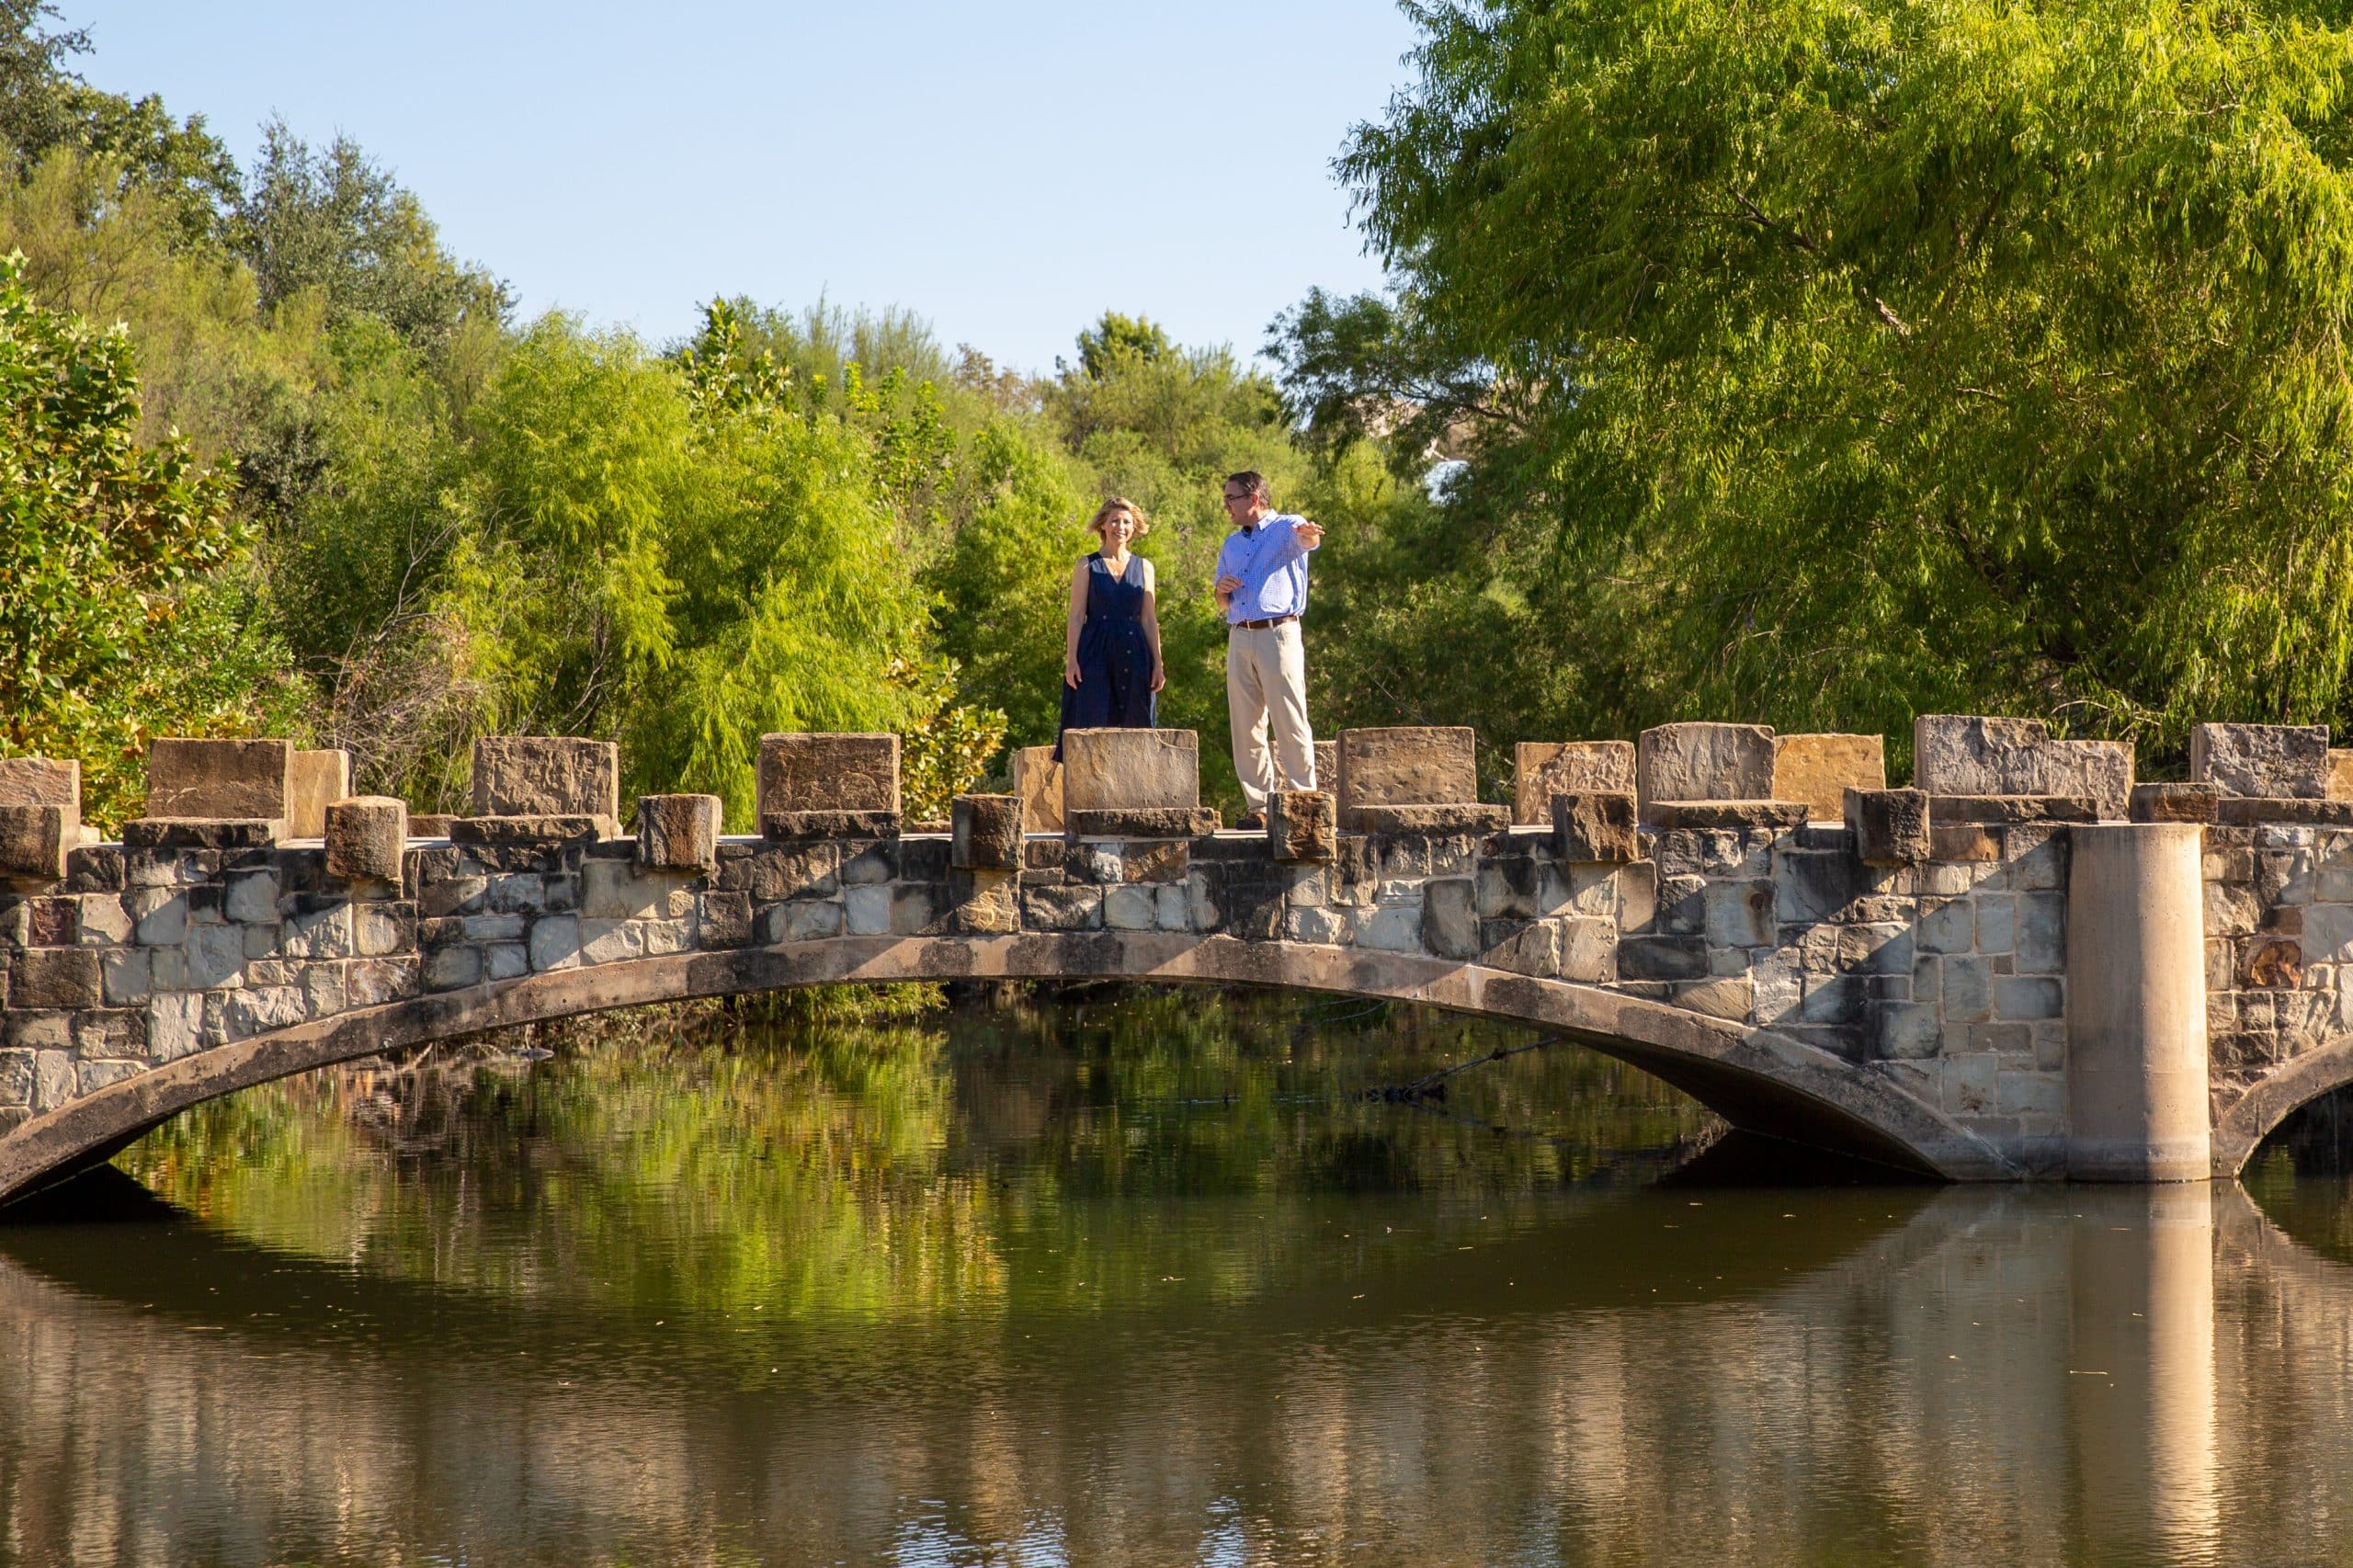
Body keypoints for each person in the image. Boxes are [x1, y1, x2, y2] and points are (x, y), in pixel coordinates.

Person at [1213, 471, 1324, 828]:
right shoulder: (1231, 544)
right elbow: (1221, 601)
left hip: (1278, 633)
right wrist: (1222, 592)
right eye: (1226, 498)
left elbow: (1307, 540)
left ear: (1255, 499)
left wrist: (1309, 535)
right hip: (1239, 634)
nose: (1226, 505)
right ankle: (1258, 807)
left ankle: (1304, 799)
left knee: (1289, 716)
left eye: (1232, 498)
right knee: (1245, 725)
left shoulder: (1286, 527)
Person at [1055, 496, 1165, 757]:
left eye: (1127, 521)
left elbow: (1149, 619)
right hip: (1094, 652)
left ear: (1134, 526)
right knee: (1092, 720)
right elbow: (1076, 615)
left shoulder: (1145, 567)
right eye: (1114, 520)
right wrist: (1071, 660)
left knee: (1136, 724)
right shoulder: (1086, 565)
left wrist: (1158, 663)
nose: (1121, 526)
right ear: (1103, 525)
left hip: (1134, 652)